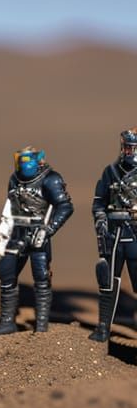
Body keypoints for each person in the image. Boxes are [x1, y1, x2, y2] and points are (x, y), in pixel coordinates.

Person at [0, 146, 73, 335]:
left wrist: (49, 229)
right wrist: (5, 230)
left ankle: (41, 326)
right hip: (17, 230)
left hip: (38, 231)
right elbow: (10, 205)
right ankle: (7, 321)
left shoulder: (51, 179)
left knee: (41, 277)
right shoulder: (14, 178)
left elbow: (65, 206)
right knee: (6, 271)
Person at [90, 128, 137, 342]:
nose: (130, 152)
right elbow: (99, 202)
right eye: (127, 148)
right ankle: (103, 328)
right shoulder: (110, 171)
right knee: (107, 281)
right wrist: (101, 221)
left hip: (135, 235)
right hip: (114, 235)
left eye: (134, 148)